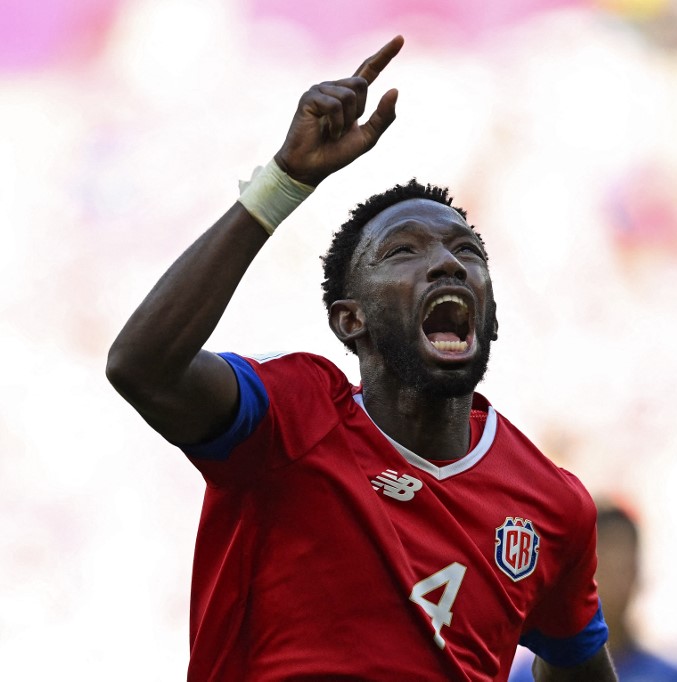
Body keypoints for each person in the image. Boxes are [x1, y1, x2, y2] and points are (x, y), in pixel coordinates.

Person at [105, 36, 616, 682]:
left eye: (466, 251)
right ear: (352, 321)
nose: (448, 262)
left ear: (489, 313)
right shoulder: (292, 417)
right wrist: (282, 185)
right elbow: (142, 368)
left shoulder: (551, 505)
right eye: (404, 252)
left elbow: (579, 662)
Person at [510, 503, 677, 682]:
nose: (617, 582)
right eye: (607, 566)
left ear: (638, 575)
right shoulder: (528, 676)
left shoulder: (673, 676)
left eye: (625, 568)